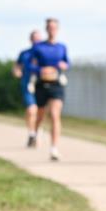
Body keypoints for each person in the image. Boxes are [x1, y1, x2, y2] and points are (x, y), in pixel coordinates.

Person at [31, 18, 69, 161]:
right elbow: (30, 66)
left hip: (56, 83)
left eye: (54, 27)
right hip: (41, 84)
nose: (52, 30)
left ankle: (54, 148)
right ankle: (36, 131)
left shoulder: (62, 47)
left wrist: (64, 65)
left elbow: (67, 62)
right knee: (40, 114)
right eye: (49, 27)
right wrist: (41, 69)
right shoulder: (38, 47)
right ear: (46, 29)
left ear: (57, 29)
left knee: (54, 114)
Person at [13, 30, 42, 147]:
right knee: (31, 110)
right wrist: (17, 72)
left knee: (40, 112)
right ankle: (31, 134)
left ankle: (36, 131)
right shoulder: (24, 53)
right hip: (27, 85)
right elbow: (16, 67)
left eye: (38, 38)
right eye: (34, 38)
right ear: (30, 39)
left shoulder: (44, 53)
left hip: (41, 85)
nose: (36, 40)